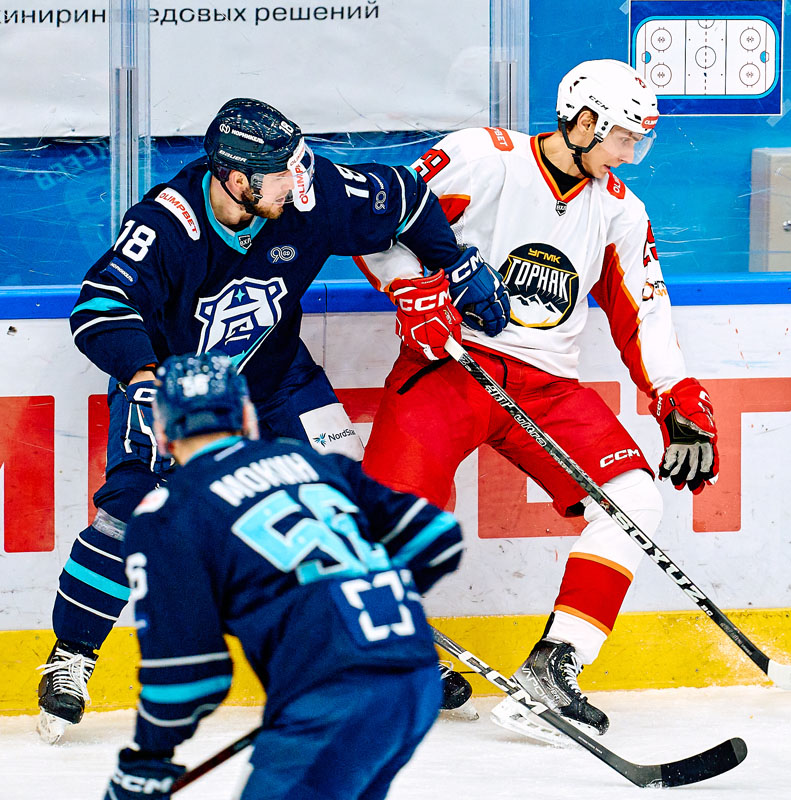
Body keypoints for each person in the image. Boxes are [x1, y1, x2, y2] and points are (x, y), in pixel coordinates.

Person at [40, 97, 506, 742]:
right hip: (176, 388)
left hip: (279, 380)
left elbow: (406, 197)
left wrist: (452, 260)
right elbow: (100, 304)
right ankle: (71, 656)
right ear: (237, 179)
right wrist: (143, 376)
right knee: (130, 511)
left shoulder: (312, 194)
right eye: (281, 173)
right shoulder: (166, 224)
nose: (297, 181)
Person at [354, 59, 718, 739]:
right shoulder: (481, 158)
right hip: (449, 368)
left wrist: (675, 396)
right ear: (584, 122)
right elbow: (380, 225)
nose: (629, 155)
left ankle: (554, 668)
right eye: (623, 139)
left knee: (634, 500)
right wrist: (412, 290)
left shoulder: (620, 210)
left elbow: (643, 312)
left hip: (547, 386)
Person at [102, 352, 463, 800]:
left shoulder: (167, 513)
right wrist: (361, 590)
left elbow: (189, 676)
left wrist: (147, 759)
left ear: (161, 433)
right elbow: (437, 537)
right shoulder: (310, 461)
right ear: (247, 416)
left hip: (327, 699)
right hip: (417, 677)